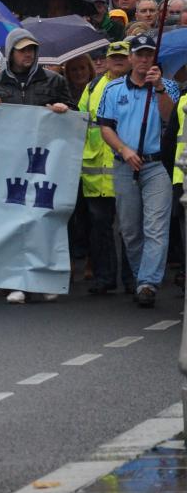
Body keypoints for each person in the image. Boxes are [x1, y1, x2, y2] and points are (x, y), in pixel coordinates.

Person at [0, 28, 74, 304]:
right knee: (12, 220)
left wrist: (62, 109)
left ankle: (44, 277)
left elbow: (73, 115)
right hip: (9, 163)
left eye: (32, 49)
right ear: (10, 52)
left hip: (44, 161)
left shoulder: (54, 80)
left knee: (43, 219)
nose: (28, 54)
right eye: (22, 50)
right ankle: (16, 280)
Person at [97, 35, 179, 308]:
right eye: (140, 55)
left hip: (156, 165)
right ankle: (138, 275)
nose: (144, 60)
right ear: (131, 58)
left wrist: (158, 89)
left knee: (155, 227)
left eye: (149, 55)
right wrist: (124, 149)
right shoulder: (113, 89)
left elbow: (171, 118)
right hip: (125, 164)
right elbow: (106, 127)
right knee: (131, 231)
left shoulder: (168, 87)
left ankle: (147, 283)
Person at [81, 41, 137, 296]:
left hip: (126, 166)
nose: (117, 60)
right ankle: (105, 277)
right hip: (96, 171)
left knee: (129, 226)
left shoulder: (138, 85)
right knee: (100, 226)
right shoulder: (92, 87)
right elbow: (80, 121)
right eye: (113, 56)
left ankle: (132, 277)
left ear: (131, 59)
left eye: (122, 56)